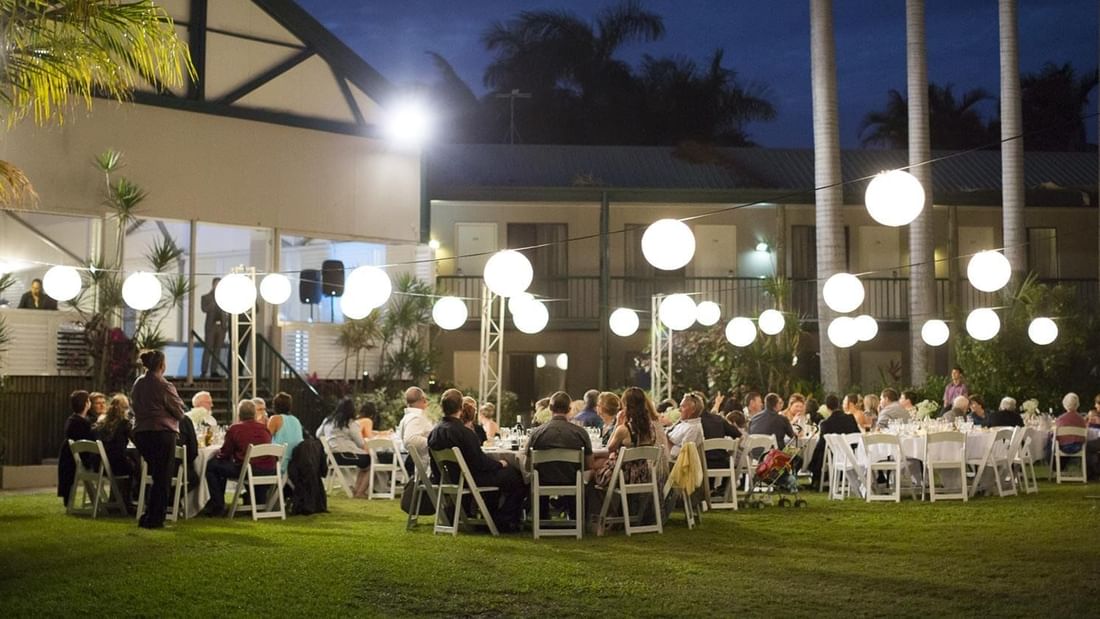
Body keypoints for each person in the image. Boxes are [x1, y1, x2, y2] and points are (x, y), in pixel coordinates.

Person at [428, 389, 527, 532]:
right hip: (470, 478)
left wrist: (441, 479)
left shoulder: (435, 432)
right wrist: (500, 464)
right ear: (460, 407)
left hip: (450, 478)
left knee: (501, 475)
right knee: (516, 477)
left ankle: (491, 517)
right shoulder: (465, 433)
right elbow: (480, 463)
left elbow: (433, 462)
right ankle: (502, 520)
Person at [131, 350, 186, 528]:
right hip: (161, 433)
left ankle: (148, 515)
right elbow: (179, 411)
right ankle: (156, 518)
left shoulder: (139, 383)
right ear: (162, 365)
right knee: (163, 477)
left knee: (155, 475)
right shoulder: (164, 385)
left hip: (141, 432)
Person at [526, 391, 594, 520]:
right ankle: (579, 518)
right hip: (572, 480)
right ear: (569, 409)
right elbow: (589, 464)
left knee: (533, 478)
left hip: (543, 481)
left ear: (550, 408)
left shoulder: (536, 433)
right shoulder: (580, 433)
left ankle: (541, 518)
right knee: (586, 480)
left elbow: (527, 466)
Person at [202, 400, 275, 516]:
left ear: (239, 414)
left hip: (248, 469)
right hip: (269, 470)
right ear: (254, 414)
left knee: (212, 465)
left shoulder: (235, 428)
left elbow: (225, 453)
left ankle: (217, 505)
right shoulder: (264, 428)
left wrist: (220, 455)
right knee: (221, 465)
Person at [316, 398, 372, 497]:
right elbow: (360, 443)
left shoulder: (327, 421)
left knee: (364, 463)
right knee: (371, 462)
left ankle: (356, 490)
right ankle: (360, 492)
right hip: (346, 455)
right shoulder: (350, 423)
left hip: (331, 456)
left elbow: (318, 434)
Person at [808, 394, 862, 489]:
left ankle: (816, 478)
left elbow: (821, 445)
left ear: (827, 407)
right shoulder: (850, 418)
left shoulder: (826, 424)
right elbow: (858, 435)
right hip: (852, 453)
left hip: (835, 455)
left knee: (819, 452)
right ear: (839, 404)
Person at [56, 390, 95, 506]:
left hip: (69, 456)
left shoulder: (72, 420)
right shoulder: (83, 423)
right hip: (82, 458)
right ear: (86, 403)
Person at [396, 386, 434, 475]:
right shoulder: (416, 418)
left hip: (416, 463)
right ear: (423, 400)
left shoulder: (407, 417)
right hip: (423, 466)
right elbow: (410, 440)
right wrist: (433, 442)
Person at [267, 392, 303, 477]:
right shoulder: (296, 420)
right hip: (296, 462)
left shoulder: (275, 419)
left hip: (281, 463)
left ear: (274, 406)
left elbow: (266, 439)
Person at [200, 278, 227, 377]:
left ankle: (214, 371)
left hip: (221, 326)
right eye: (217, 285)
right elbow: (204, 309)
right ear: (213, 285)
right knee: (208, 348)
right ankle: (204, 371)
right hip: (211, 326)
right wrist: (214, 302)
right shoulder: (206, 297)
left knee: (217, 350)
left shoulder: (225, 298)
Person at [666, 392, 705, 461]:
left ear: (693, 410)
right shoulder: (683, 423)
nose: (679, 410)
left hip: (677, 464)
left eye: (683, 407)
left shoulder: (693, 428)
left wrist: (667, 441)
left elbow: (683, 454)